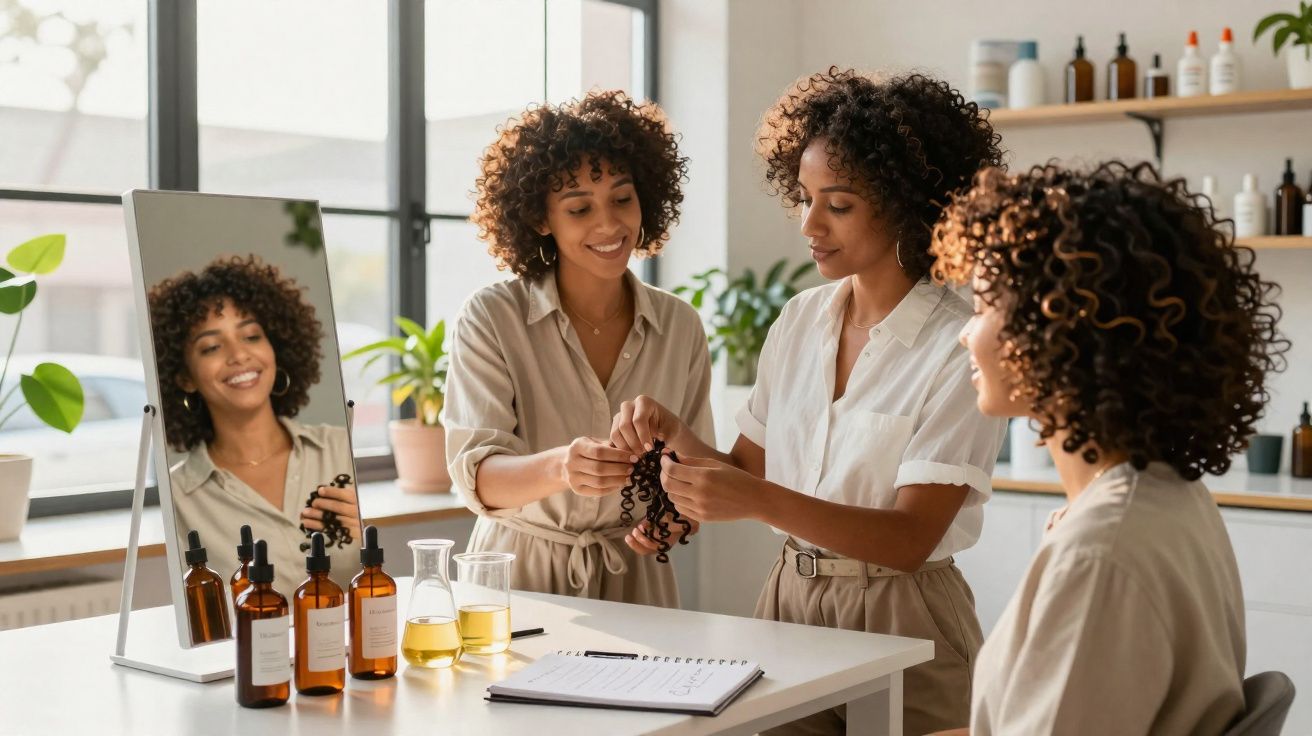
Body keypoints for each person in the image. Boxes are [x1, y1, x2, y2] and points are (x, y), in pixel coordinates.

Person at [610, 69, 1007, 734]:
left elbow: (909, 539)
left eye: (838, 205)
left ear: (907, 207)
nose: (809, 224)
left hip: (906, 615)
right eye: (803, 197)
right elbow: (749, 472)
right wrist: (673, 436)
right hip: (788, 606)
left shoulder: (957, 343)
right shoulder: (799, 320)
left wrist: (755, 499)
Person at [929, 161, 1284, 735]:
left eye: (983, 307)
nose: (966, 333)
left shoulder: (1100, 557)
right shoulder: (1170, 495)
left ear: (1060, 326)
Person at [443, 90, 713, 607]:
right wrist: (561, 468)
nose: (609, 225)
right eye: (579, 208)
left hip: (636, 579)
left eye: (622, 199)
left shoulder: (680, 325)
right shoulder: (492, 317)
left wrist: (676, 519)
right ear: (540, 218)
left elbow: (697, 476)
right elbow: (478, 478)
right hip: (518, 580)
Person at [150, 254, 361, 596]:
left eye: (251, 336)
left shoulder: (342, 450)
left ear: (275, 348)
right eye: (211, 347)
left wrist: (367, 534)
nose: (238, 355)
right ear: (185, 377)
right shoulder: (177, 498)